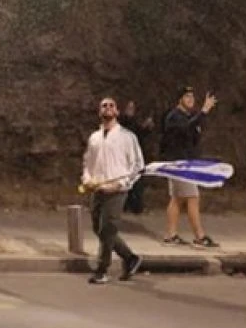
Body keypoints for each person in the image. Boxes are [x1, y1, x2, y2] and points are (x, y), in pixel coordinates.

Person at [81, 96, 144, 285]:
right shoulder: (94, 138)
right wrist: (87, 180)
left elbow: (137, 165)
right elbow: (88, 163)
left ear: (117, 112)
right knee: (98, 229)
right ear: (99, 112)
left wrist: (122, 183)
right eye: (103, 106)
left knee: (107, 229)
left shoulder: (127, 137)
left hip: (117, 190)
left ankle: (102, 269)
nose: (107, 108)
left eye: (111, 106)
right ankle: (130, 257)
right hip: (98, 189)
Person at [159, 86, 220, 248]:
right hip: (179, 164)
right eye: (187, 97)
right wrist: (204, 111)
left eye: (192, 97)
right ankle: (199, 237)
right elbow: (186, 129)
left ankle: (170, 236)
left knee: (177, 199)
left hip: (186, 163)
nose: (191, 100)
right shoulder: (174, 117)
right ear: (180, 99)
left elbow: (193, 134)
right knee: (193, 198)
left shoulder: (189, 116)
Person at [118, 100, 154, 215]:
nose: (131, 110)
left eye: (132, 108)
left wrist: (147, 127)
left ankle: (135, 206)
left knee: (137, 183)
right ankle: (124, 205)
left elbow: (140, 134)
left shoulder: (132, 122)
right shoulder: (121, 122)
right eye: (129, 108)